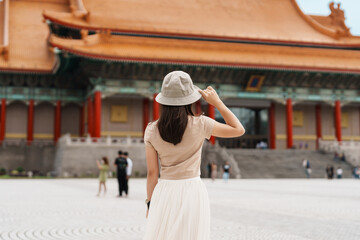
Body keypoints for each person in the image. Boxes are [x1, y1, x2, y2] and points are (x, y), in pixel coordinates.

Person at [143, 71, 245, 239]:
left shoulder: (151, 129)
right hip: (192, 190)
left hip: (165, 190)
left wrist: (149, 203)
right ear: (189, 99)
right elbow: (238, 130)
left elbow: (152, 173)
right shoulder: (201, 123)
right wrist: (217, 102)